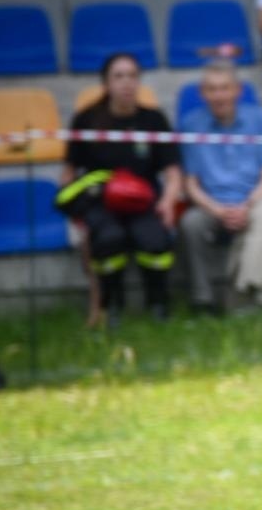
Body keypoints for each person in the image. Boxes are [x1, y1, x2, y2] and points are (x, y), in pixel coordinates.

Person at [56, 53, 182, 325]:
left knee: (156, 240)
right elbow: (69, 172)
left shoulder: (154, 120)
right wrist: (76, 214)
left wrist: (169, 201)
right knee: (109, 238)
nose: (126, 83)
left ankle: (158, 302)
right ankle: (112, 304)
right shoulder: (86, 120)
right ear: (106, 83)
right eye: (119, 76)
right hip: (101, 201)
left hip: (144, 199)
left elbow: (172, 171)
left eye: (132, 76)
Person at [178, 62, 262, 314]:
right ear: (203, 94)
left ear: (237, 90)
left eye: (225, 88)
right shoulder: (191, 124)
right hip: (212, 205)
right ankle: (202, 301)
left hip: (256, 200)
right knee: (190, 223)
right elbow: (190, 184)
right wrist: (218, 210)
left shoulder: (261, 120)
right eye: (212, 90)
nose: (219, 95)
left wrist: (247, 206)